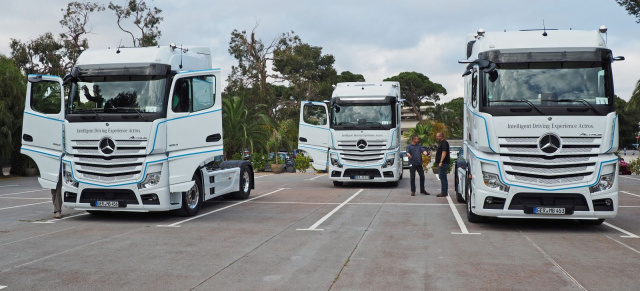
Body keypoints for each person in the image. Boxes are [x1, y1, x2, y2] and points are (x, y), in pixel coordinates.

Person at [435, 132, 450, 197]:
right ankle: (444, 192)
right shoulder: (442, 143)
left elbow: (444, 152)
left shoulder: (444, 143)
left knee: (442, 177)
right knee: (443, 177)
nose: (437, 137)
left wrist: (441, 161)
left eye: (438, 136)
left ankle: (443, 192)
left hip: (443, 163)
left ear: (441, 136)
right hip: (443, 163)